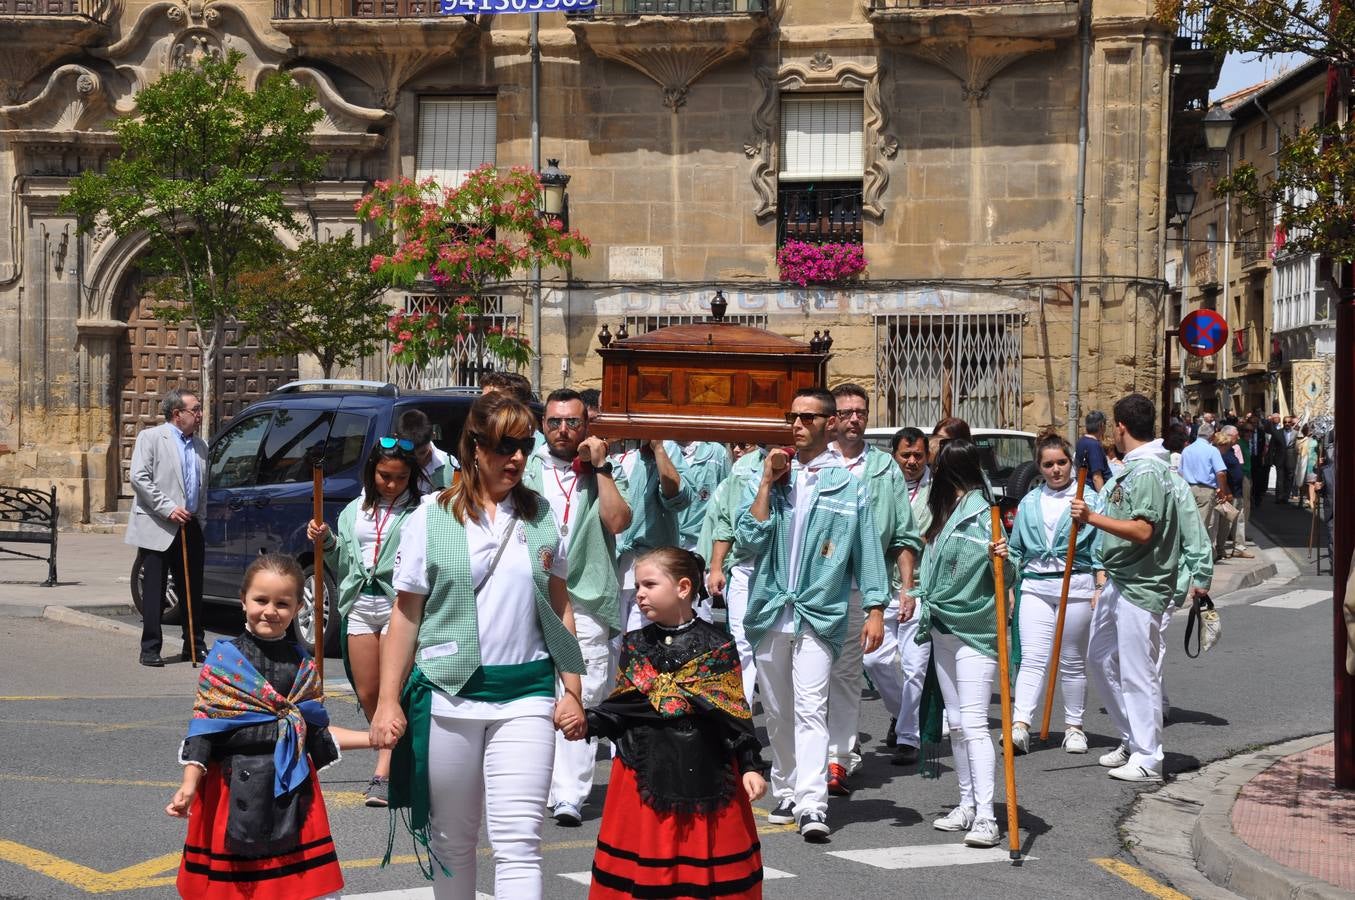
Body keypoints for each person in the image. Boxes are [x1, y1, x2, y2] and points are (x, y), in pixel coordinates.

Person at [372, 392, 587, 900]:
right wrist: (386, 702)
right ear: (473, 448)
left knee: (519, 841)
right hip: (449, 696)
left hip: (527, 695)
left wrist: (572, 690)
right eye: (503, 446)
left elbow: (560, 607)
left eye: (524, 446)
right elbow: (406, 615)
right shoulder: (430, 517)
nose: (515, 457)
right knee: (452, 840)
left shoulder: (540, 517)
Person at [168, 554, 374, 900]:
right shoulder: (222, 663)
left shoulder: (304, 665)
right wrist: (189, 786)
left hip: (292, 792)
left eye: (282, 603)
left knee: (294, 889)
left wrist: (374, 738)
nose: (270, 611)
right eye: (261, 600)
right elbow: (203, 730)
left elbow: (315, 734)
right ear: (243, 600)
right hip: (228, 790)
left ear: (296, 608)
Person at [571, 548, 769, 900]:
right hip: (642, 768)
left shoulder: (716, 646)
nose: (640, 593)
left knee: (701, 868)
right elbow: (627, 708)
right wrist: (587, 722)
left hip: (706, 768)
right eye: (637, 585)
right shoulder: (635, 645)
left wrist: (751, 765)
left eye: (649, 584)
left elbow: (734, 714)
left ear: (682, 587)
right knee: (644, 862)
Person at [735, 388, 888, 842]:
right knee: (778, 710)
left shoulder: (848, 483)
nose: (797, 424)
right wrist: (765, 482)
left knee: (810, 707)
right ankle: (785, 787)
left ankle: (812, 802)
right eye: (792, 417)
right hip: (769, 610)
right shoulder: (775, 476)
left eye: (807, 417)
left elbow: (867, 551)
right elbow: (748, 539)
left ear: (829, 424)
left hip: (820, 611)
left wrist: (875, 607)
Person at [526, 389, 633, 827]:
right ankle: (537, 782)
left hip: (584, 594)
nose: (563, 430)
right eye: (555, 422)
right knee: (534, 690)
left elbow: (618, 522)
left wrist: (601, 468)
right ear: (543, 426)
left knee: (581, 693)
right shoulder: (526, 468)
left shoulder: (602, 472)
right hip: (530, 590)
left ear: (587, 427)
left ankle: (570, 793)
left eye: (573, 422)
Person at [1071, 393, 1183, 783]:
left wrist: (1093, 516)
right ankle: (1133, 739)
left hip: (1141, 583)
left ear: (1120, 427)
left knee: (1138, 672)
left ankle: (1149, 757)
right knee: (1099, 659)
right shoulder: (1134, 468)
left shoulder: (1149, 470)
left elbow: (1142, 530)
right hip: (1119, 580)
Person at [307, 437, 424, 808]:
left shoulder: (421, 512)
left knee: (395, 689)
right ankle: (393, 744)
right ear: (372, 472)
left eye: (401, 478)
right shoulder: (353, 510)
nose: (391, 484)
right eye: (384, 476)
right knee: (369, 692)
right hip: (358, 603)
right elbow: (343, 557)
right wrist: (325, 541)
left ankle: (384, 769)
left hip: (398, 605)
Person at [913, 439, 1010, 849]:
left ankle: (988, 815)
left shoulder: (984, 513)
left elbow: (1009, 567)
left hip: (975, 630)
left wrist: (1003, 555)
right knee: (956, 723)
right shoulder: (941, 512)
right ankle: (968, 803)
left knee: (972, 724)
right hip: (941, 627)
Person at [832, 383, 921, 791]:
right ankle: (834, 754)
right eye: (847, 411)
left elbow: (903, 533)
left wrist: (906, 588)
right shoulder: (815, 462)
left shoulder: (885, 468)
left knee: (871, 663)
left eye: (861, 412)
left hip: (870, 582)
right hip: (822, 584)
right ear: (833, 417)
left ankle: (902, 723)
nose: (855, 418)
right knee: (821, 672)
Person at [1007, 433, 1102, 755]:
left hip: (1075, 585)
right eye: (1048, 464)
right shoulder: (1029, 501)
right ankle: (1020, 724)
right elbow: (1017, 549)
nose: (1056, 469)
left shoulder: (1088, 499)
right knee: (1033, 658)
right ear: (1039, 467)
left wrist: (1100, 586)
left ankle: (1074, 727)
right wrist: (1009, 583)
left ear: (1071, 462)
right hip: (1035, 585)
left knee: (1072, 662)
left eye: (1062, 462)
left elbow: (1101, 548)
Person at [126, 387, 207, 667]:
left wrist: (200, 519)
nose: (199, 415)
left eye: (199, 409)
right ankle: (150, 648)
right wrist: (169, 508)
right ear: (177, 414)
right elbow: (139, 478)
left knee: (192, 589)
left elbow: (201, 488)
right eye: (195, 410)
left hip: (190, 524)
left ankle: (194, 644)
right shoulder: (150, 438)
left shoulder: (201, 446)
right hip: (158, 524)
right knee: (155, 590)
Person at [700, 444, 768, 705]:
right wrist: (716, 566)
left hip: (786, 569)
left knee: (777, 649)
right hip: (744, 565)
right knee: (742, 642)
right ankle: (742, 716)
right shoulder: (742, 468)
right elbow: (726, 520)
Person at [882, 426, 934, 765]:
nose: (912, 461)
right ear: (894, 455)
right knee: (876, 660)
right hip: (883, 585)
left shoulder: (941, 489)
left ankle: (908, 738)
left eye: (918, 455)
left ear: (927, 455)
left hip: (921, 587)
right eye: (905, 455)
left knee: (914, 667)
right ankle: (905, 715)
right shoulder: (882, 484)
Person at [613, 440, 691, 632]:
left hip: (651, 567)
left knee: (645, 644)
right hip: (610, 569)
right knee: (611, 650)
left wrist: (658, 449)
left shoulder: (666, 448)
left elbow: (680, 499)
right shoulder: (603, 451)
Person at [665, 439, 733, 618]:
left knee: (701, 609)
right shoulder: (662, 447)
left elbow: (726, 500)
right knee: (665, 605)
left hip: (700, 546)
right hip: (665, 543)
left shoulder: (716, 453)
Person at [1180, 422, 1229, 562]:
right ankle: (1200, 557)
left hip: (1188, 488)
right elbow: (1221, 473)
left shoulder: (1187, 450)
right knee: (1203, 524)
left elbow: (1180, 472)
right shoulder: (1212, 450)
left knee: (1189, 523)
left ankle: (1191, 553)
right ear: (1212, 436)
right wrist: (1222, 491)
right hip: (1205, 490)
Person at [399, 408, 459, 490]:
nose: (417, 459)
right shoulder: (392, 464)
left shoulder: (451, 465)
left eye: (422, 453)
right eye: (410, 453)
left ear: (433, 436)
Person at [1077, 411, 1114, 491]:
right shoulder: (1094, 445)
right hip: (1094, 491)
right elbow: (1097, 477)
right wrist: (1102, 498)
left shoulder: (1081, 441)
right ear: (1102, 425)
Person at [1269, 414, 1298, 504]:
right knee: (1280, 478)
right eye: (1285, 422)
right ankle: (1279, 497)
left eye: (1289, 422)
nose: (1287, 424)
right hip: (1280, 457)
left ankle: (1286, 496)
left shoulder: (1296, 433)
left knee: (1289, 477)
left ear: (1291, 423)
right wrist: (1271, 458)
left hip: (1291, 457)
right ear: (1283, 423)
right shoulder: (1277, 432)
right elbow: (1271, 446)